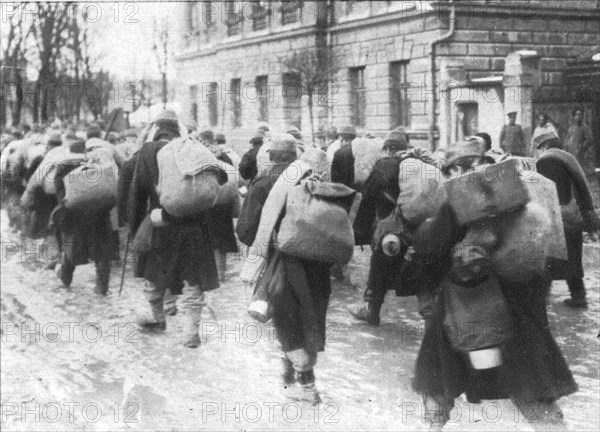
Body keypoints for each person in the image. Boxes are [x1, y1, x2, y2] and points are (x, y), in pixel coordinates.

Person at [412, 139, 578, 432]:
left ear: (455, 169)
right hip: (518, 307)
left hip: (467, 304)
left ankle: (431, 427)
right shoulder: (512, 193)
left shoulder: (461, 198)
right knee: (530, 383)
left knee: (437, 375)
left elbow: (431, 250)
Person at [237, 133, 330, 403]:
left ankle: (308, 387)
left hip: (283, 265)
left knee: (285, 319)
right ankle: (289, 372)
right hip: (318, 265)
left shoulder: (264, 184)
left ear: (270, 156)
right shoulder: (316, 180)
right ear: (295, 156)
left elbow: (246, 231)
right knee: (309, 318)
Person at [128, 110, 222, 348]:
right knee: (194, 279)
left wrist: (137, 225)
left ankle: (158, 318)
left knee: (156, 274)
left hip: (162, 223)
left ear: (156, 129)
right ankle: (191, 331)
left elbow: (138, 193)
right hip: (196, 225)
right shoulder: (195, 150)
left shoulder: (148, 151)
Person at [348, 130, 411, 325]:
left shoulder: (384, 165)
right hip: (413, 225)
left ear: (387, 147)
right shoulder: (416, 164)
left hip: (388, 226)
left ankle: (372, 310)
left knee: (378, 266)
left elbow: (368, 197)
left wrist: (361, 229)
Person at [535, 131, 600, 309]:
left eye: (538, 148)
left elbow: (554, 191)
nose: (538, 152)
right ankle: (579, 297)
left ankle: (540, 300)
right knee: (571, 259)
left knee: (547, 259)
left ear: (544, 146)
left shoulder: (547, 159)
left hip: (559, 216)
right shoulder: (567, 156)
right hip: (574, 215)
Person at [51, 138, 113, 295]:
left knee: (73, 246)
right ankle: (102, 287)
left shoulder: (62, 167)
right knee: (102, 250)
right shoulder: (95, 162)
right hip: (100, 213)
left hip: (75, 215)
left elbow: (60, 193)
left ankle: (65, 277)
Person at [564, 107, 596, 178]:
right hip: (571, 152)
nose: (579, 117)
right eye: (577, 115)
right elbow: (567, 139)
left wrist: (581, 149)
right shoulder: (571, 128)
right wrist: (566, 147)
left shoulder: (585, 128)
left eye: (581, 115)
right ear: (574, 116)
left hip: (580, 155)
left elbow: (589, 140)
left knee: (580, 172)